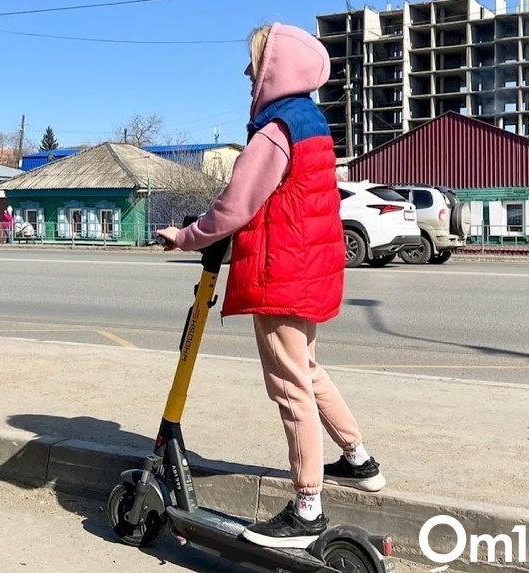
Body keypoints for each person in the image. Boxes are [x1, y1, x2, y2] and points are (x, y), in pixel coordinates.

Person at [154, 22, 386, 549]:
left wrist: (186, 236)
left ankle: (307, 509)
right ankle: (359, 459)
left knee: (289, 388)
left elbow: (236, 205)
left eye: (254, 62)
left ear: (274, 69)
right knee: (307, 372)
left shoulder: (275, 130)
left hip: (281, 272)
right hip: (309, 268)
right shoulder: (312, 122)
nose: (246, 72)